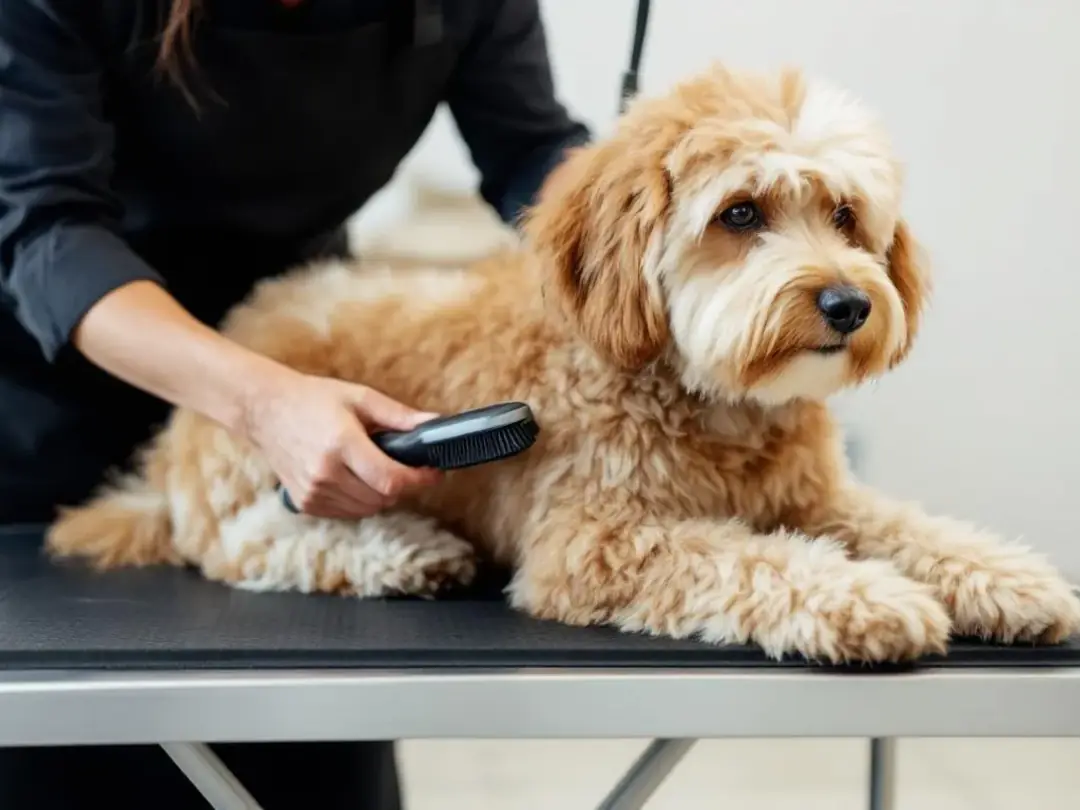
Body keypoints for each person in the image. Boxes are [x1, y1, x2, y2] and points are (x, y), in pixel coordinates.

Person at [0, 0, 589, 807]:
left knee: (311, 769)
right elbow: (45, 227)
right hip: (55, 414)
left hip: (310, 372)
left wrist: (626, 223)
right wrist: (260, 405)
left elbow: (529, 144)